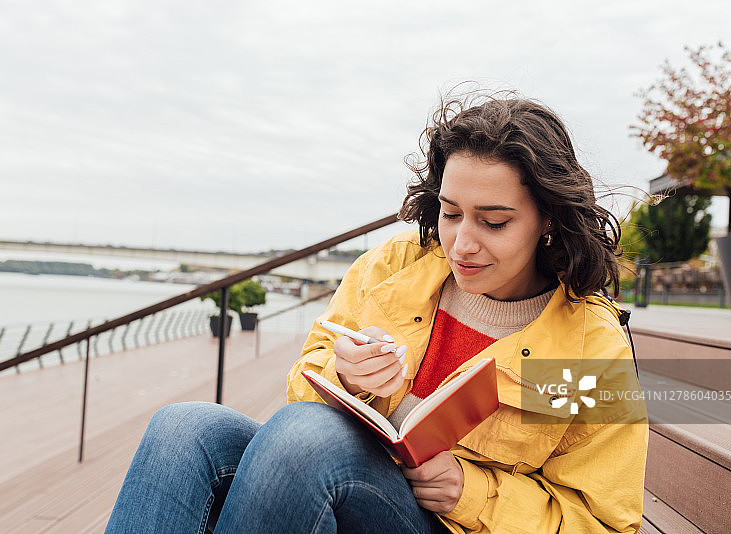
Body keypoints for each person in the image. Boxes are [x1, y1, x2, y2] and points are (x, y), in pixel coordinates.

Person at [105, 93, 648, 534]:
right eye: (451, 212)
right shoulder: (393, 267)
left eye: (495, 222)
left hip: (449, 525)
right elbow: (305, 386)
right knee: (185, 429)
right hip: (341, 488)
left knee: (306, 440)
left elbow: (602, 521)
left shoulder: (587, 346)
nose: (462, 243)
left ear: (548, 221)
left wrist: (475, 493)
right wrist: (340, 372)